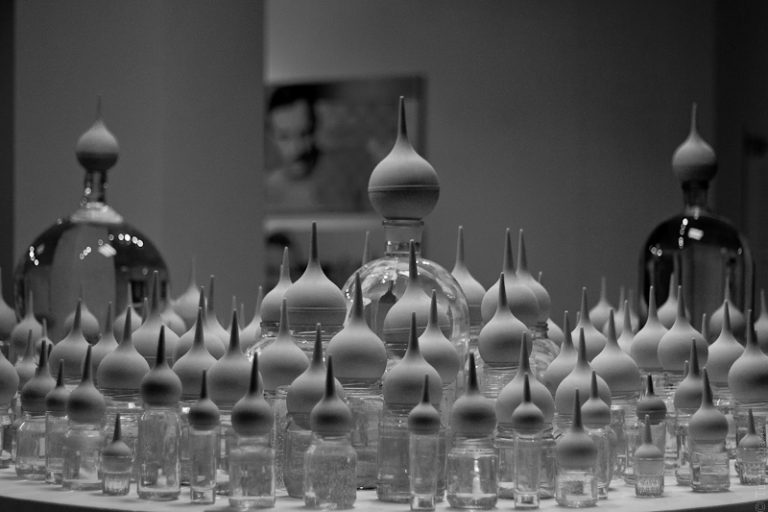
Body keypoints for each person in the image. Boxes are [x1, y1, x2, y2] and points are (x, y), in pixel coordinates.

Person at [265, 85, 371, 213]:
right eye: (284, 137)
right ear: (271, 137)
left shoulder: (345, 176)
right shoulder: (265, 191)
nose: (297, 148)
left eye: (305, 133)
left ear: (316, 126)